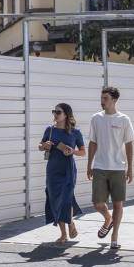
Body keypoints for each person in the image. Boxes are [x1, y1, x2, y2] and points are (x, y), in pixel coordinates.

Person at [86, 85, 134, 250]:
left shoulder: (124, 120)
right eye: (101, 98)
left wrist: (130, 168)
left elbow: (129, 144)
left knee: (118, 204)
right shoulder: (96, 118)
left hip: (118, 168)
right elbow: (92, 142)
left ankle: (114, 237)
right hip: (99, 166)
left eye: (105, 98)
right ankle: (108, 219)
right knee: (98, 203)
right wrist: (89, 164)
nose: (102, 101)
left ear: (114, 100)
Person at [38, 102, 85, 244]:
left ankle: (70, 222)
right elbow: (40, 146)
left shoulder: (75, 132)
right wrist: (44, 146)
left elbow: (83, 152)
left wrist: (73, 151)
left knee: (66, 199)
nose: (55, 114)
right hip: (53, 170)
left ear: (66, 115)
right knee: (55, 200)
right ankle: (63, 234)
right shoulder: (49, 130)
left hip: (68, 170)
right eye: (54, 111)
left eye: (58, 112)